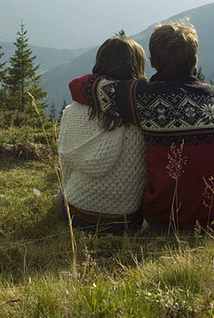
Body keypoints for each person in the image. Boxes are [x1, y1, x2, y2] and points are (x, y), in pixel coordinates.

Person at [69, 22, 214, 232]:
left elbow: (78, 85)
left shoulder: (143, 97)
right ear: (194, 60)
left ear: (153, 62)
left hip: (167, 218)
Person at [58, 36, 148, 234]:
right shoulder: (142, 115)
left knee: (61, 194)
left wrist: (66, 191)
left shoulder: (73, 111)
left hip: (77, 214)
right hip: (125, 221)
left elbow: (65, 162)